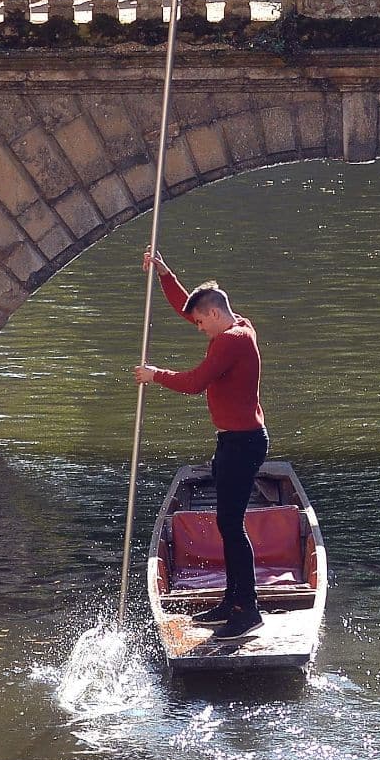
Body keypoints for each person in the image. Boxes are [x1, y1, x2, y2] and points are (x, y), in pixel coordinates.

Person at [134, 250, 268, 640]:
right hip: (234, 442)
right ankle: (232, 600)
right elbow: (187, 307)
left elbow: (194, 384)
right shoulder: (237, 325)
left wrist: (154, 375)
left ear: (213, 315)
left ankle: (248, 610)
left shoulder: (233, 341)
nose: (196, 328)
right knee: (228, 524)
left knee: (230, 523)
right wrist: (164, 273)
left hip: (243, 444)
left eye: (199, 324)